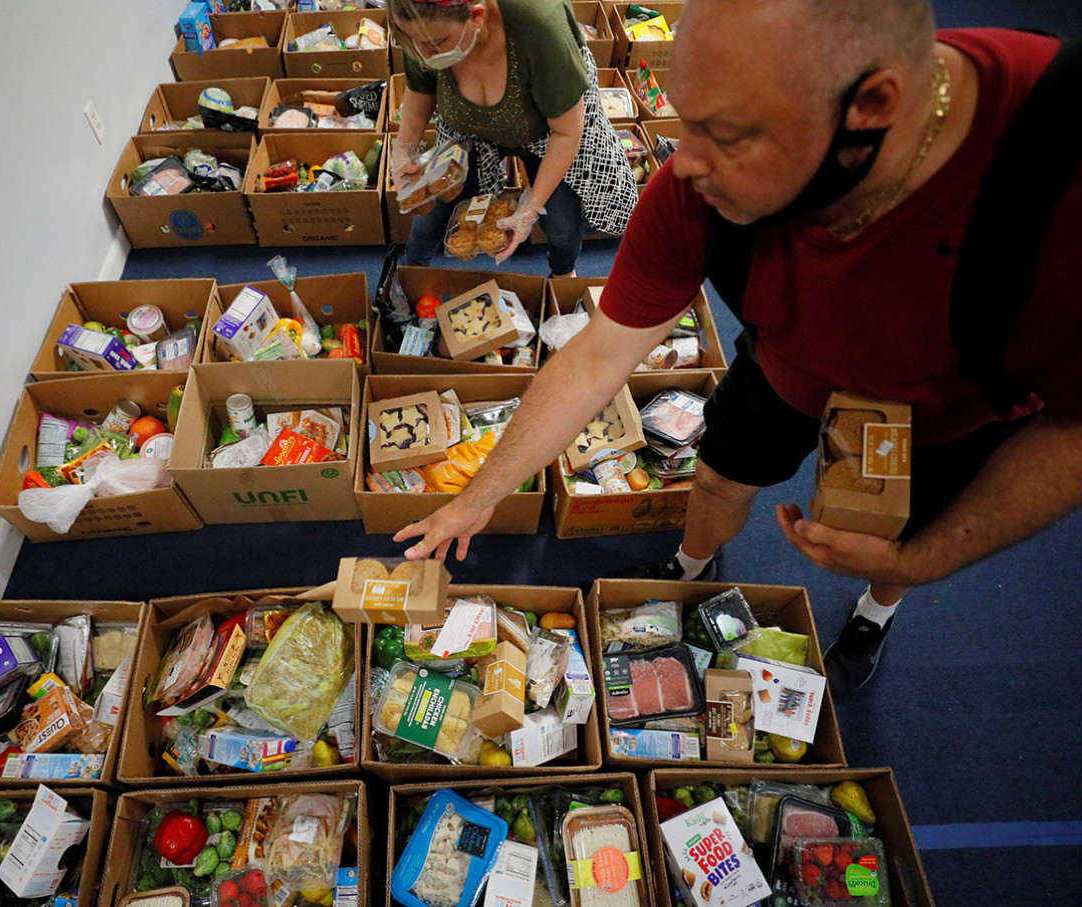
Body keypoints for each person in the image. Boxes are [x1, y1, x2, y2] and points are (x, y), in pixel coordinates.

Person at [394, 0, 1082, 693]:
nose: (682, 166)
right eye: (685, 119)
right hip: (786, 364)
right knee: (719, 473)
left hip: (952, 409)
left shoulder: (1056, 182)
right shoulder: (696, 181)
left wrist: (922, 561)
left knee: (903, 533)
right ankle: (691, 563)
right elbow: (598, 358)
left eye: (724, 134)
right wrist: (480, 494)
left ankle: (880, 605)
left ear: (872, 107)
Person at [388, 0, 635, 277]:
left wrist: (530, 207)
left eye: (436, 43)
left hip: (549, 129)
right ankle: (409, 274)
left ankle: (564, 275)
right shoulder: (420, 23)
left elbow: (567, 131)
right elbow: (420, 91)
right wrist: (404, 150)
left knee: (561, 225)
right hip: (468, 125)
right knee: (432, 214)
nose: (423, 54)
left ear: (477, 15)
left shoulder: (540, 28)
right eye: (413, 43)